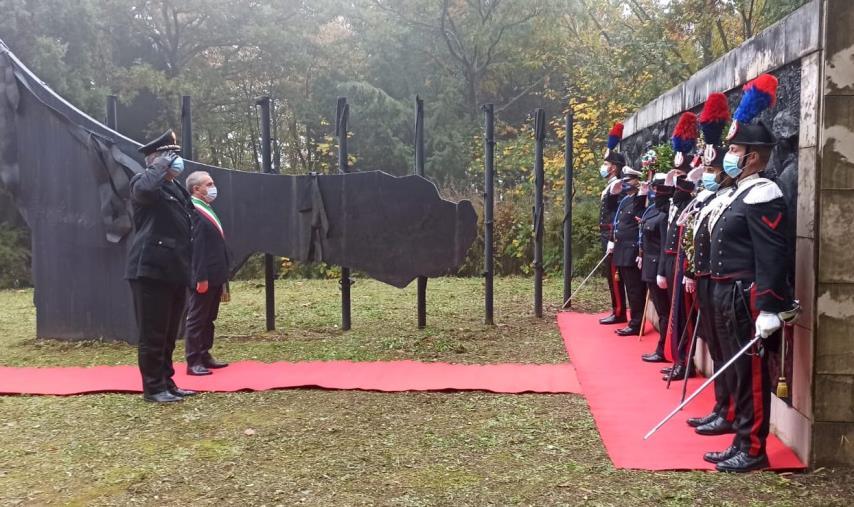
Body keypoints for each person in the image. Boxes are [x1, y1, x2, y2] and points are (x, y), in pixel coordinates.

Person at [704, 74, 793, 472]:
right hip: (726, 293)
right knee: (738, 372)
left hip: (746, 295)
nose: (729, 155)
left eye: (734, 149)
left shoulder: (763, 193)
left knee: (753, 374)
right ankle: (741, 438)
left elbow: (772, 255)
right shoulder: (738, 191)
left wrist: (770, 307)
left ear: (752, 156)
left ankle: (754, 449)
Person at [125, 129, 196, 403]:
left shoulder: (172, 187)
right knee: (153, 333)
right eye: (170, 157)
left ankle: (167, 381)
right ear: (156, 161)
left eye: (175, 157)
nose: (176, 162)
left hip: (174, 269)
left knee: (168, 334)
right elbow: (144, 191)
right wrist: (158, 165)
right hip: (150, 269)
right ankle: (153, 388)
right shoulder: (143, 183)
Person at [683, 92, 737, 436]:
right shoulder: (710, 198)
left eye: (714, 169)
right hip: (707, 278)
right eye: (709, 168)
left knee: (728, 349)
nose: (709, 174)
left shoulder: (736, 196)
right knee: (716, 346)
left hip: (726, 283)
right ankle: (721, 406)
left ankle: (729, 410)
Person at [659, 112, 699, 382]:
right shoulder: (676, 201)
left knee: (684, 317)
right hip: (673, 262)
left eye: (681, 179)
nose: (677, 185)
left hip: (684, 264)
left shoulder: (690, 200)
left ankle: (684, 361)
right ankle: (678, 358)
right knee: (676, 315)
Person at [185, 171, 231, 376]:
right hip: (204, 275)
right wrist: (200, 277)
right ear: (196, 189)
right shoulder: (194, 211)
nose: (213, 187)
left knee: (209, 318)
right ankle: (193, 360)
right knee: (197, 318)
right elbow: (197, 249)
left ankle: (204, 353)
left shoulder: (206, 208)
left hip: (216, 273)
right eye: (209, 184)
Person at [639, 172, 673, 362]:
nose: (654, 191)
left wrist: (661, 272)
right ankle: (663, 348)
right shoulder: (653, 209)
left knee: (664, 313)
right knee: (662, 312)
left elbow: (663, 246)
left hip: (657, 269)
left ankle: (663, 350)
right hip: (648, 266)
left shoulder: (665, 213)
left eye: (657, 188)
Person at [610, 166, 647, 336]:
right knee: (627, 288)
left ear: (637, 181)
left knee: (635, 290)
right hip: (620, 249)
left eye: (629, 181)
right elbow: (616, 220)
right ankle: (633, 320)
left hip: (631, 251)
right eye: (624, 181)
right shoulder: (625, 200)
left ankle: (636, 323)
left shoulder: (640, 200)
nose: (625, 184)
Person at [598, 122, 627, 325]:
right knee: (610, 275)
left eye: (607, 164)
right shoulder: (610, 185)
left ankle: (619, 311)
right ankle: (615, 308)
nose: (604, 167)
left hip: (611, 234)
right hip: (605, 233)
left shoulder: (617, 186)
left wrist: (612, 238)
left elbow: (617, 215)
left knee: (615, 275)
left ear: (614, 167)